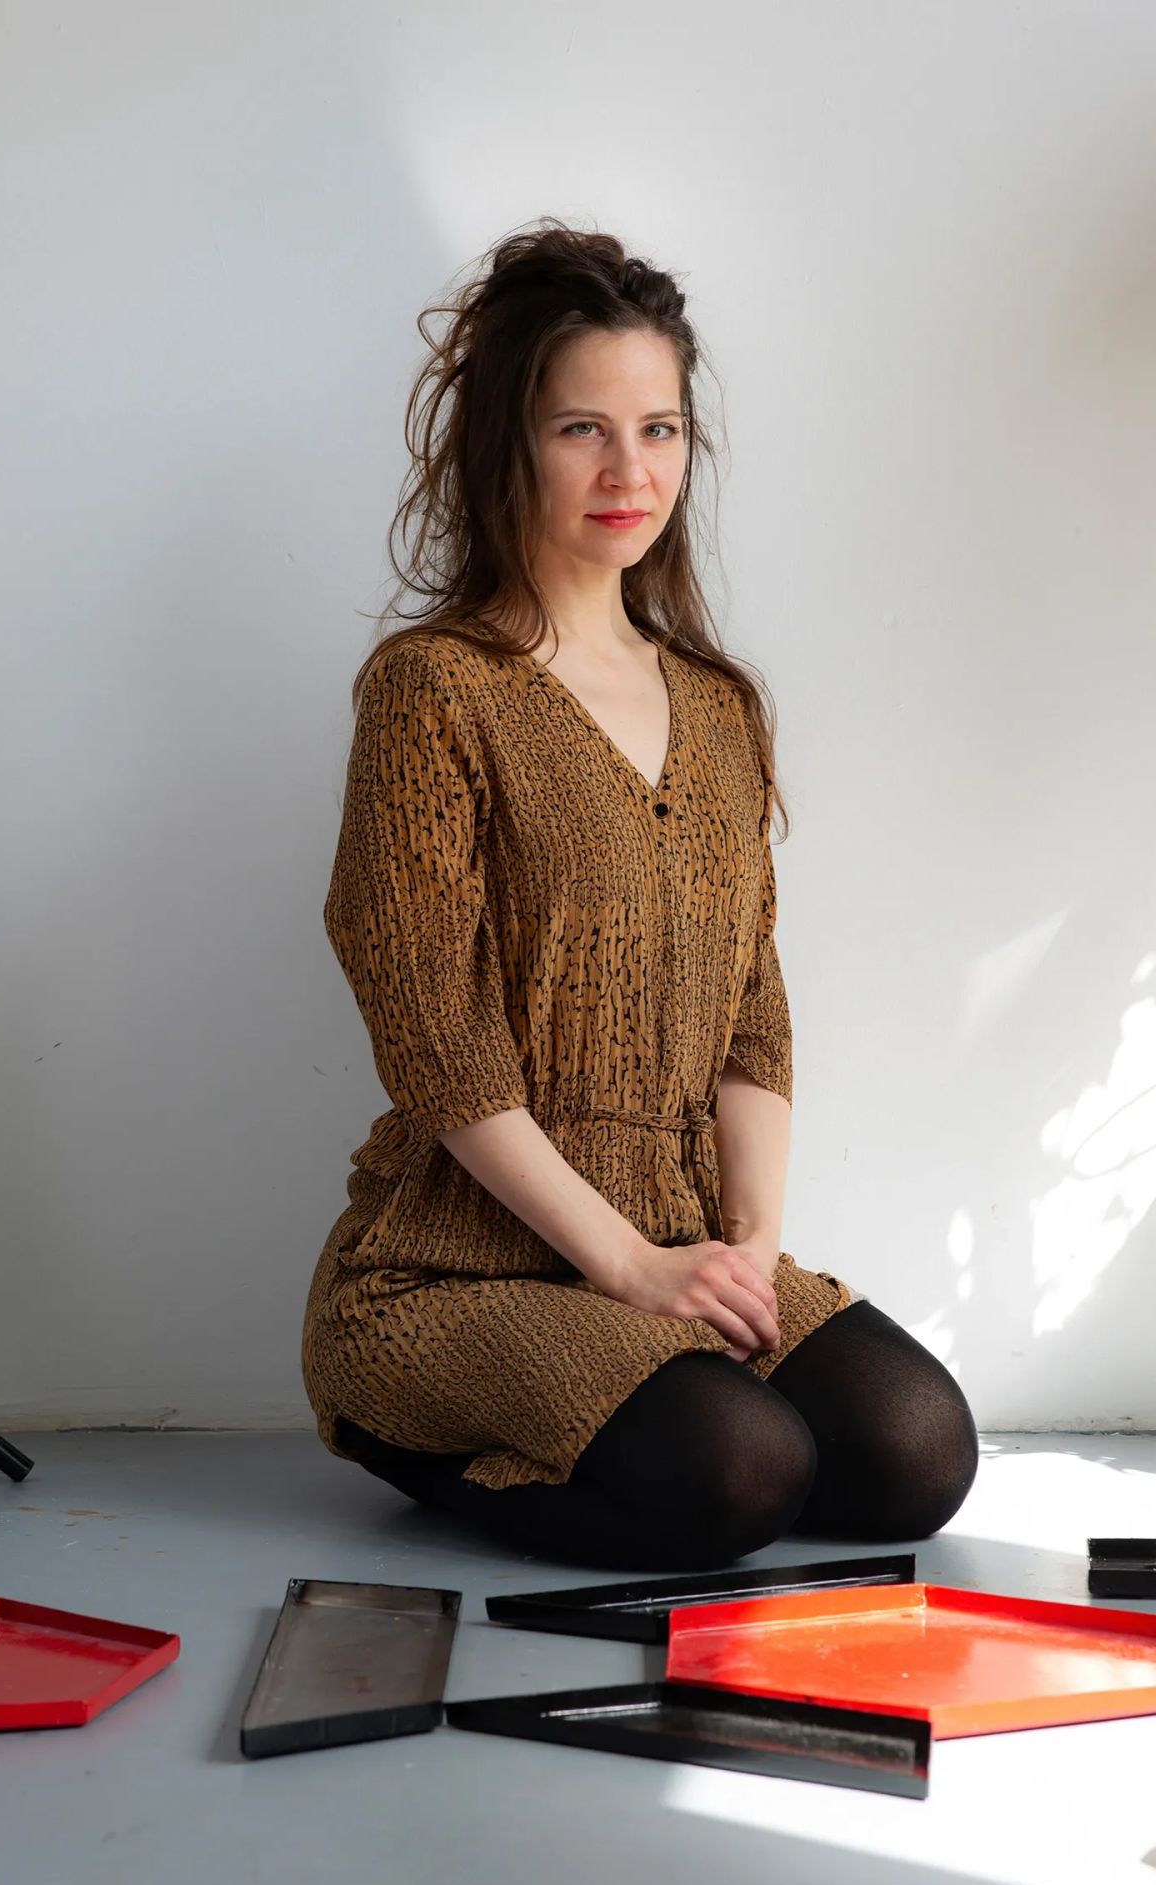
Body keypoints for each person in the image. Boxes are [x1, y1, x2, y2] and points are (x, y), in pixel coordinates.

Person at [301, 219, 979, 1571]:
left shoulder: (718, 708)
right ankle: (399, 1426)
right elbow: (434, 1034)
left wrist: (743, 1250)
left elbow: (753, 1020)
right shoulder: (434, 691)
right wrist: (623, 1269)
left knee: (915, 1452)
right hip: (455, 1271)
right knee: (742, 1471)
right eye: (579, 431)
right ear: (504, 443)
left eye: (659, 428)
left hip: (673, 1239)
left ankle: (668, 1424)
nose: (630, 471)